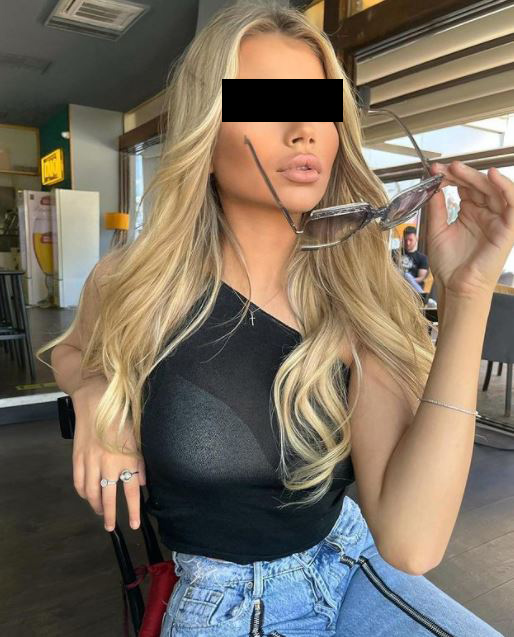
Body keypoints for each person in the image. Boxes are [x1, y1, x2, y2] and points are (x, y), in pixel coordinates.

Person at [38, 2, 514, 636]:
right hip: (225, 602)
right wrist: (97, 394)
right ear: (206, 133)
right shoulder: (134, 281)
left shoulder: (357, 295)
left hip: (351, 559)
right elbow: (72, 351)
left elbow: (411, 543)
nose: (303, 129)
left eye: (319, 106)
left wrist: (468, 294)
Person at [392, 226, 429, 293]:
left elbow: (421, 278)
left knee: (407, 275)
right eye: (405, 240)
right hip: (396, 285)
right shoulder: (395, 253)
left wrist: (407, 281)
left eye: (410, 240)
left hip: (412, 289)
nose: (408, 243)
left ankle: (421, 293)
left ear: (416, 239)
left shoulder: (422, 258)